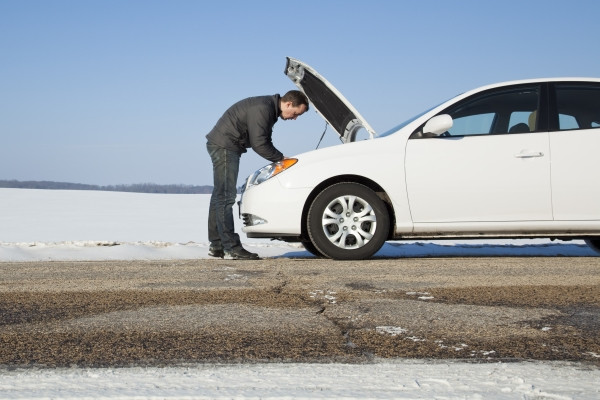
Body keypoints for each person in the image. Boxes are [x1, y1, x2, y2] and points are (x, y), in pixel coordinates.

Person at [206, 90, 309, 260]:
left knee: (219, 196)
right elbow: (259, 143)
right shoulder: (264, 108)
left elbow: (263, 140)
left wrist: (278, 156)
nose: (295, 118)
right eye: (296, 113)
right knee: (225, 197)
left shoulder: (269, 108)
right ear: (289, 104)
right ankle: (231, 247)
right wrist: (281, 159)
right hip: (225, 145)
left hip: (223, 143)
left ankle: (217, 245)